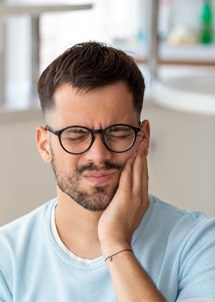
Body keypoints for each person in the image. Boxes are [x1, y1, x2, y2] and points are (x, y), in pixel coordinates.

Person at [0, 41, 215, 302]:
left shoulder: (199, 243)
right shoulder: (6, 257)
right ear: (45, 146)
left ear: (143, 139)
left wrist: (115, 244)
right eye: (76, 135)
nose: (98, 155)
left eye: (117, 133)